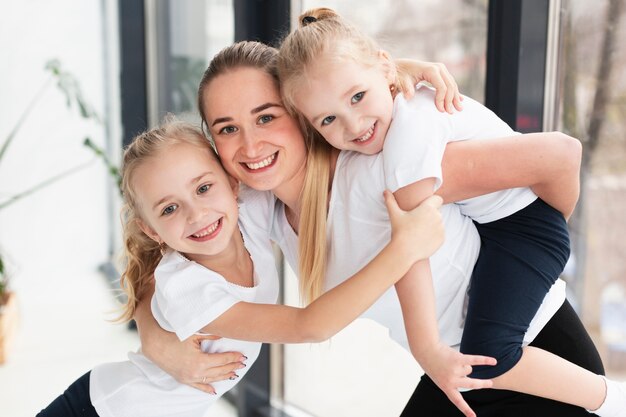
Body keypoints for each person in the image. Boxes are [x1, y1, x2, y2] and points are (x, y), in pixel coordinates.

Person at [137, 40, 611, 417]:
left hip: (536, 351)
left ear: (300, 117)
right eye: (227, 128)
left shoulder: (387, 169)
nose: (250, 143)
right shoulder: (261, 207)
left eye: (265, 117)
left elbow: (555, 158)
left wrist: (542, 242)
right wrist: (156, 337)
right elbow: (164, 257)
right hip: (454, 371)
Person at [275, 7, 626, 417]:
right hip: (507, 236)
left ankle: (613, 400)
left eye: (357, 97)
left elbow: (412, 250)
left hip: (522, 235)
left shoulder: (405, 144)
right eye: (329, 119)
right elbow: (361, 77)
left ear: (386, 69)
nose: (353, 125)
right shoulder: (395, 108)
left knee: (491, 350)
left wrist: (429, 352)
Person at [37, 119, 448, 417]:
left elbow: (307, 118)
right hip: (103, 409)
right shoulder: (186, 288)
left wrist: (394, 74)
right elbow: (309, 326)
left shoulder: (244, 212)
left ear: (233, 183)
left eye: (203, 187)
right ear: (152, 230)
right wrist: (404, 248)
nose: (197, 214)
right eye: (169, 208)